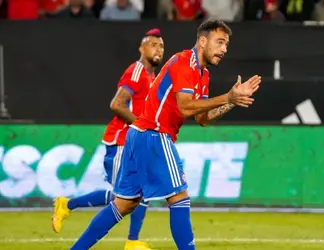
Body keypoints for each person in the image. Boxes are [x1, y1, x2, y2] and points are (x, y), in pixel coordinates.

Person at [69, 19, 261, 250]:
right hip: (153, 135)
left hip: (139, 136)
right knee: (179, 197)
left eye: (226, 45)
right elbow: (185, 107)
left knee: (123, 205)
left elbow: (201, 118)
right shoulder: (182, 62)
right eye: (219, 42)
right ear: (202, 40)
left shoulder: (203, 75)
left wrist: (232, 102)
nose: (224, 49)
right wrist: (227, 97)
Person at [52, 28, 165, 250]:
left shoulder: (152, 76)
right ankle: (131, 242)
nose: (158, 49)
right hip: (121, 142)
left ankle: (68, 205)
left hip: (135, 143)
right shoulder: (136, 71)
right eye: (153, 44)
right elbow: (116, 104)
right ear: (141, 48)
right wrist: (142, 126)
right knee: (131, 195)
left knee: (131, 194)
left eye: (161, 45)